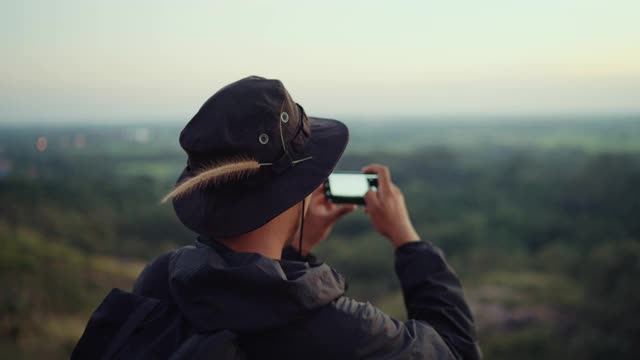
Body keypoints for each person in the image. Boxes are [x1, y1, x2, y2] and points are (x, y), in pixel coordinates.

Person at [72, 76, 481, 359]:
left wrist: (292, 251)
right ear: (298, 189)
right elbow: (457, 350)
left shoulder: (162, 281)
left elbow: (245, 293)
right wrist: (408, 241)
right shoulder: (343, 332)